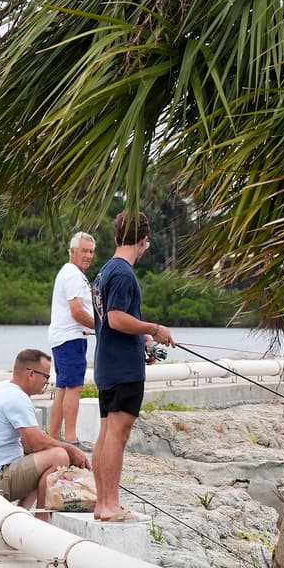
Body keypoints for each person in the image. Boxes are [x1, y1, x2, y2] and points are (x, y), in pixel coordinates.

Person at [91, 210, 175, 521]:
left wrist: (144, 343)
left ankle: (102, 504)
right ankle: (110, 505)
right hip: (123, 370)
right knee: (117, 435)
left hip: (107, 366)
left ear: (116, 237)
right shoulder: (124, 274)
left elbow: (111, 322)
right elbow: (115, 318)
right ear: (142, 242)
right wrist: (154, 329)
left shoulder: (104, 272)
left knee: (105, 433)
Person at [0, 348, 91, 510]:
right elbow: (36, 443)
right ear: (30, 374)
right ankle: (42, 518)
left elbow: (30, 446)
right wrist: (71, 449)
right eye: (46, 376)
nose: (47, 381)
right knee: (58, 456)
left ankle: (22, 512)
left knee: (48, 454)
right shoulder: (17, 398)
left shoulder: (5, 393)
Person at [48, 231, 96, 448]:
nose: (88, 255)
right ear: (72, 252)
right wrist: (102, 328)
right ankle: (71, 438)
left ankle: (53, 436)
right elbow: (77, 311)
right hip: (70, 338)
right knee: (74, 387)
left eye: (91, 252)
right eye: (84, 251)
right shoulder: (73, 275)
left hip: (65, 337)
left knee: (64, 387)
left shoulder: (73, 273)